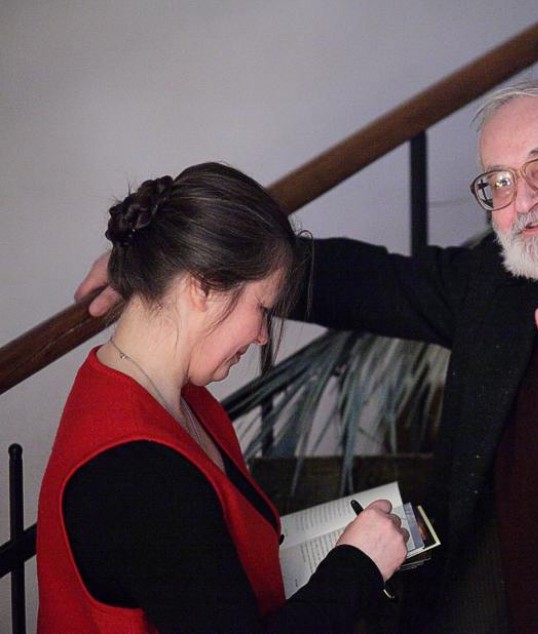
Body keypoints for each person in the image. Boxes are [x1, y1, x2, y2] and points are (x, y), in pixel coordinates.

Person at [77, 78, 538, 632]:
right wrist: (181, 264)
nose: (522, 202)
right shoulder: (505, 277)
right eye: (499, 183)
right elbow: (377, 282)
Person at [40, 162, 409, 633]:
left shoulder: (175, 395)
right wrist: (357, 566)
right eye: (262, 309)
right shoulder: (138, 473)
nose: (262, 336)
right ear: (202, 286)